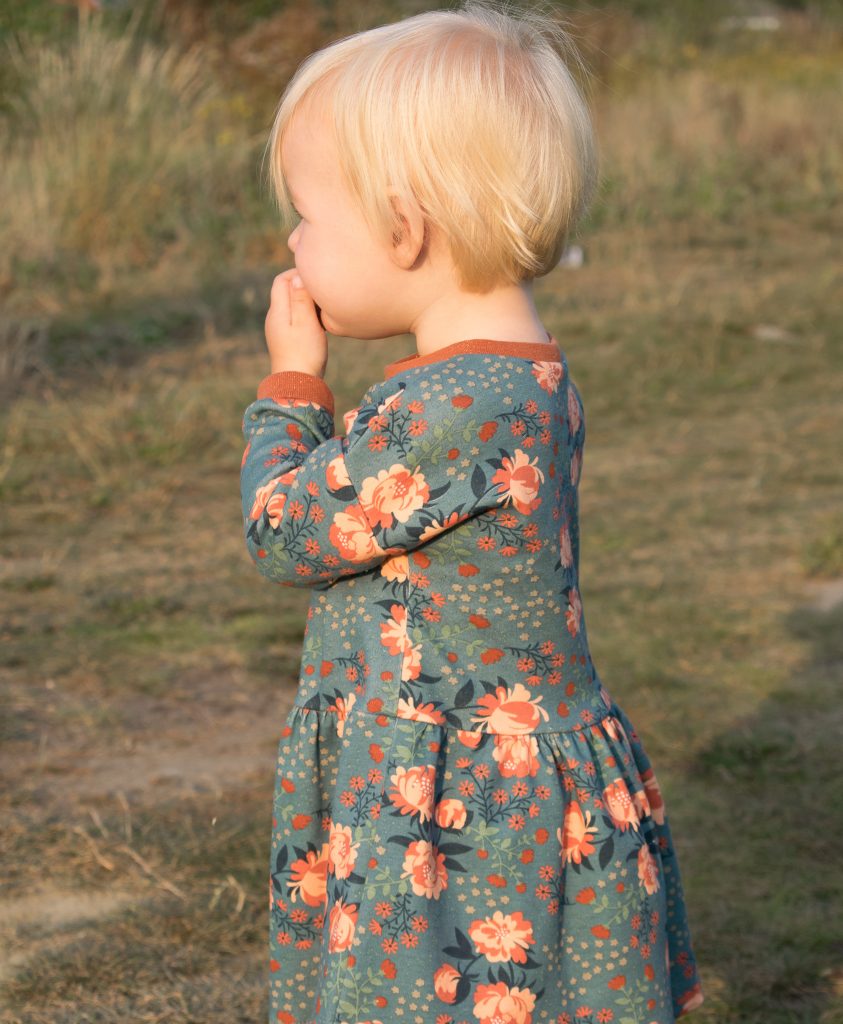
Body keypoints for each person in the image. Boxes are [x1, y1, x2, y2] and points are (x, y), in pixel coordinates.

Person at [239, 2, 705, 1022]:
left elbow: (285, 532)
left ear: (403, 229)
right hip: (475, 780)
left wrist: (291, 389)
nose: (293, 239)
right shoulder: (518, 377)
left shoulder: (451, 408)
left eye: (309, 215)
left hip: (462, 819)